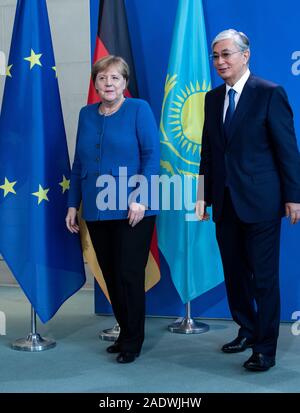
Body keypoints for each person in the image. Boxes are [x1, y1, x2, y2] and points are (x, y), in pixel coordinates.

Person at [196, 29, 300, 371]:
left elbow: (288, 151)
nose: (221, 62)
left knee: (264, 278)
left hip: (262, 203)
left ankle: (265, 348)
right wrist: (202, 197)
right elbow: (207, 153)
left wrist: (294, 197)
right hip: (224, 205)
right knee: (235, 274)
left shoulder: (269, 93)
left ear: (245, 55)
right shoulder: (212, 99)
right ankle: (247, 329)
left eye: (227, 54)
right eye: (216, 56)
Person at [66, 55, 160, 363]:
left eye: (115, 78)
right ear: (95, 82)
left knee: (130, 274)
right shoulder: (86, 114)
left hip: (134, 209)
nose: (108, 83)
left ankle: (133, 340)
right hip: (95, 209)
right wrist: (72, 205)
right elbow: (79, 162)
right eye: (103, 78)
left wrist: (141, 198)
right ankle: (125, 332)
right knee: (110, 274)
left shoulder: (139, 109)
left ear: (125, 83)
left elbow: (151, 155)